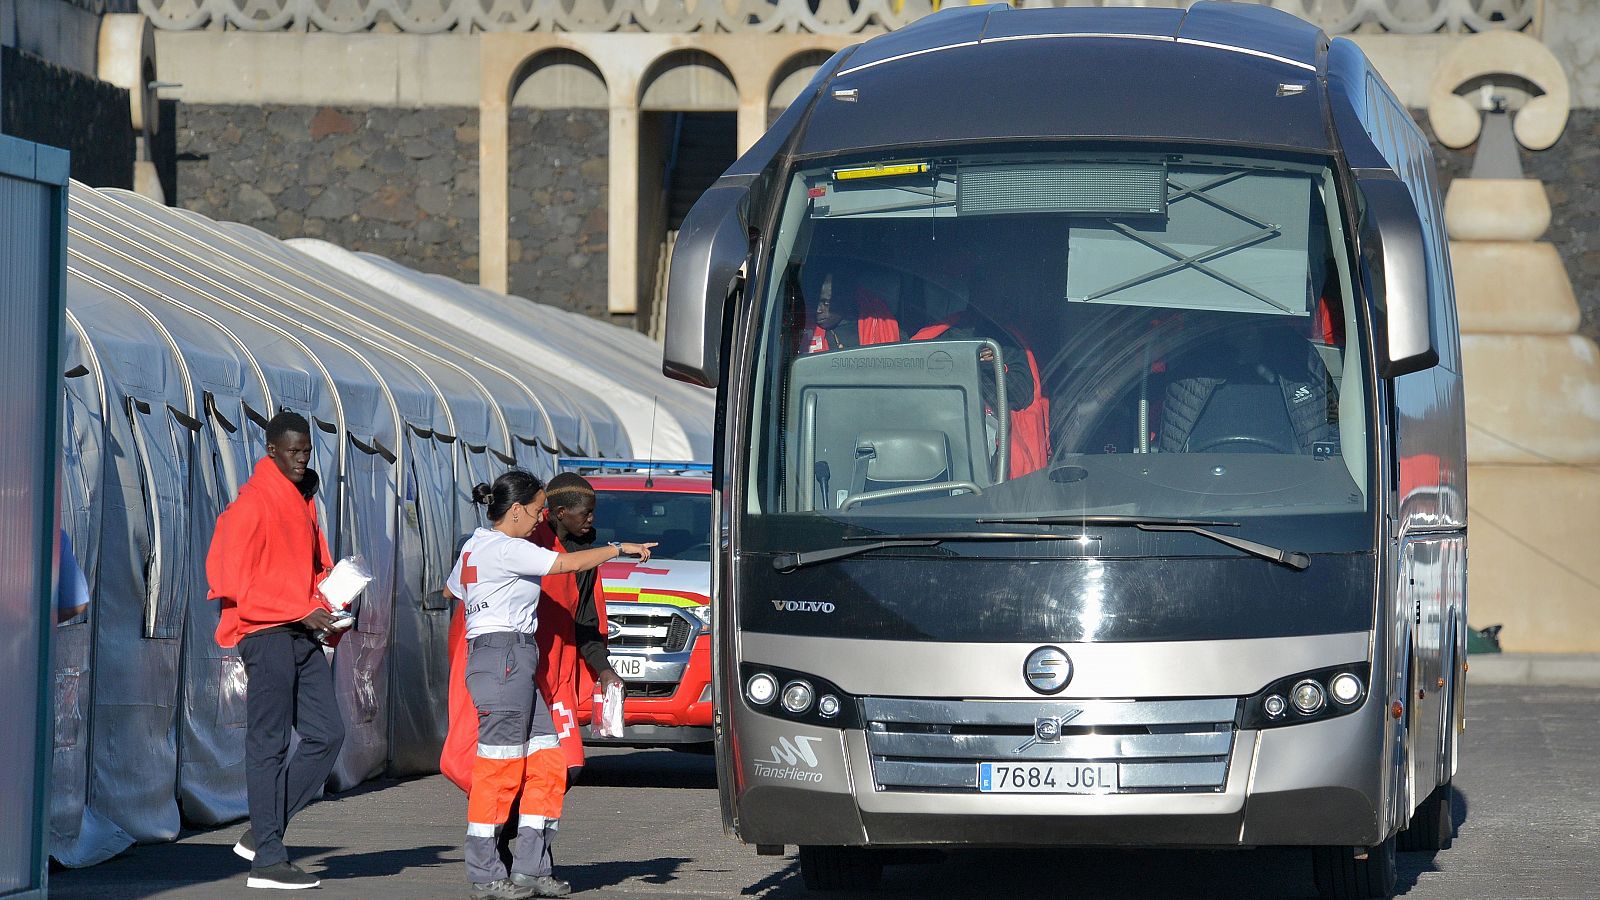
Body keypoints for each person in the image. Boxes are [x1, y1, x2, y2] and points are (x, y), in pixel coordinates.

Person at [446, 470, 654, 900]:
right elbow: (569, 563)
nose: (542, 518)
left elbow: (452, 592)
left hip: (511, 658)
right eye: (539, 509)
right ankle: (486, 874)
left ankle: (530, 868)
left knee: (548, 762)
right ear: (517, 510)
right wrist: (619, 548)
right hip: (504, 658)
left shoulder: (475, 546)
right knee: (498, 771)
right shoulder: (506, 549)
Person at [205, 411, 345, 891]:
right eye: (294, 451)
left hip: (301, 634)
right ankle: (268, 858)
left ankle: (263, 832)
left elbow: (309, 571)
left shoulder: (299, 501)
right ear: (271, 450)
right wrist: (297, 608)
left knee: (327, 734)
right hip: (264, 634)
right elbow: (228, 580)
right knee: (269, 743)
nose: (303, 459)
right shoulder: (252, 505)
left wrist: (334, 594)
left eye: (307, 451)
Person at [534, 473, 624, 787]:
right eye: (585, 512)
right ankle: (506, 835)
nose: (591, 519)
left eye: (592, 511)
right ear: (560, 513)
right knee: (517, 765)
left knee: (568, 766)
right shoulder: (528, 545)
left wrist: (604, 669)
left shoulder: (586, 555)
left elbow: (585, 620)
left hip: (558, 677)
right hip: (522, 671)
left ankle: (531, 833)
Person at [910, 302, 1051, 478]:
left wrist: (988, 367)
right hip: (934, 436)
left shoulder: (1009, 341)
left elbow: (1021, 394)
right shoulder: (940, 336)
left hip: (992, 448)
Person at [801, 270, 901, 353]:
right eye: (816, 302)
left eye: (826, 303)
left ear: (845, 300)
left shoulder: (883, 330)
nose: (818, 310)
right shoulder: (801, 331)